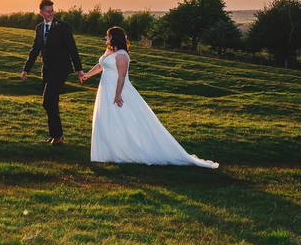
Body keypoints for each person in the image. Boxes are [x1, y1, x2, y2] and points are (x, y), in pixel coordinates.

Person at [80, 26, 219, 168]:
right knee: (106, 119)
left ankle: (128, 150)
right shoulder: (110, 50)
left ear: (114, 37)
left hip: (118, 90)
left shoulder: (122, 55)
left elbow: (121, 76)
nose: (106, 38)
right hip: (105, 90)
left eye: (108, 36)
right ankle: (109, 151)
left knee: (124, 119)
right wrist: (87, 75)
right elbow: (101, 65)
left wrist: (117, 95)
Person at [21, 0, 84, 145]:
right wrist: (26, 69)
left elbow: (72, 49)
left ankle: (57, 135)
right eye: (47, 11)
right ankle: (56, 136)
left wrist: (79, 70)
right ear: (41, 12)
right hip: (47, 70)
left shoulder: (63, 27)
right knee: (51, 103)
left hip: (61, 70)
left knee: (47, 101)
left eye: (52, 11)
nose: (50, 13)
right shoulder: (39, 28)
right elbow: (35, 50)